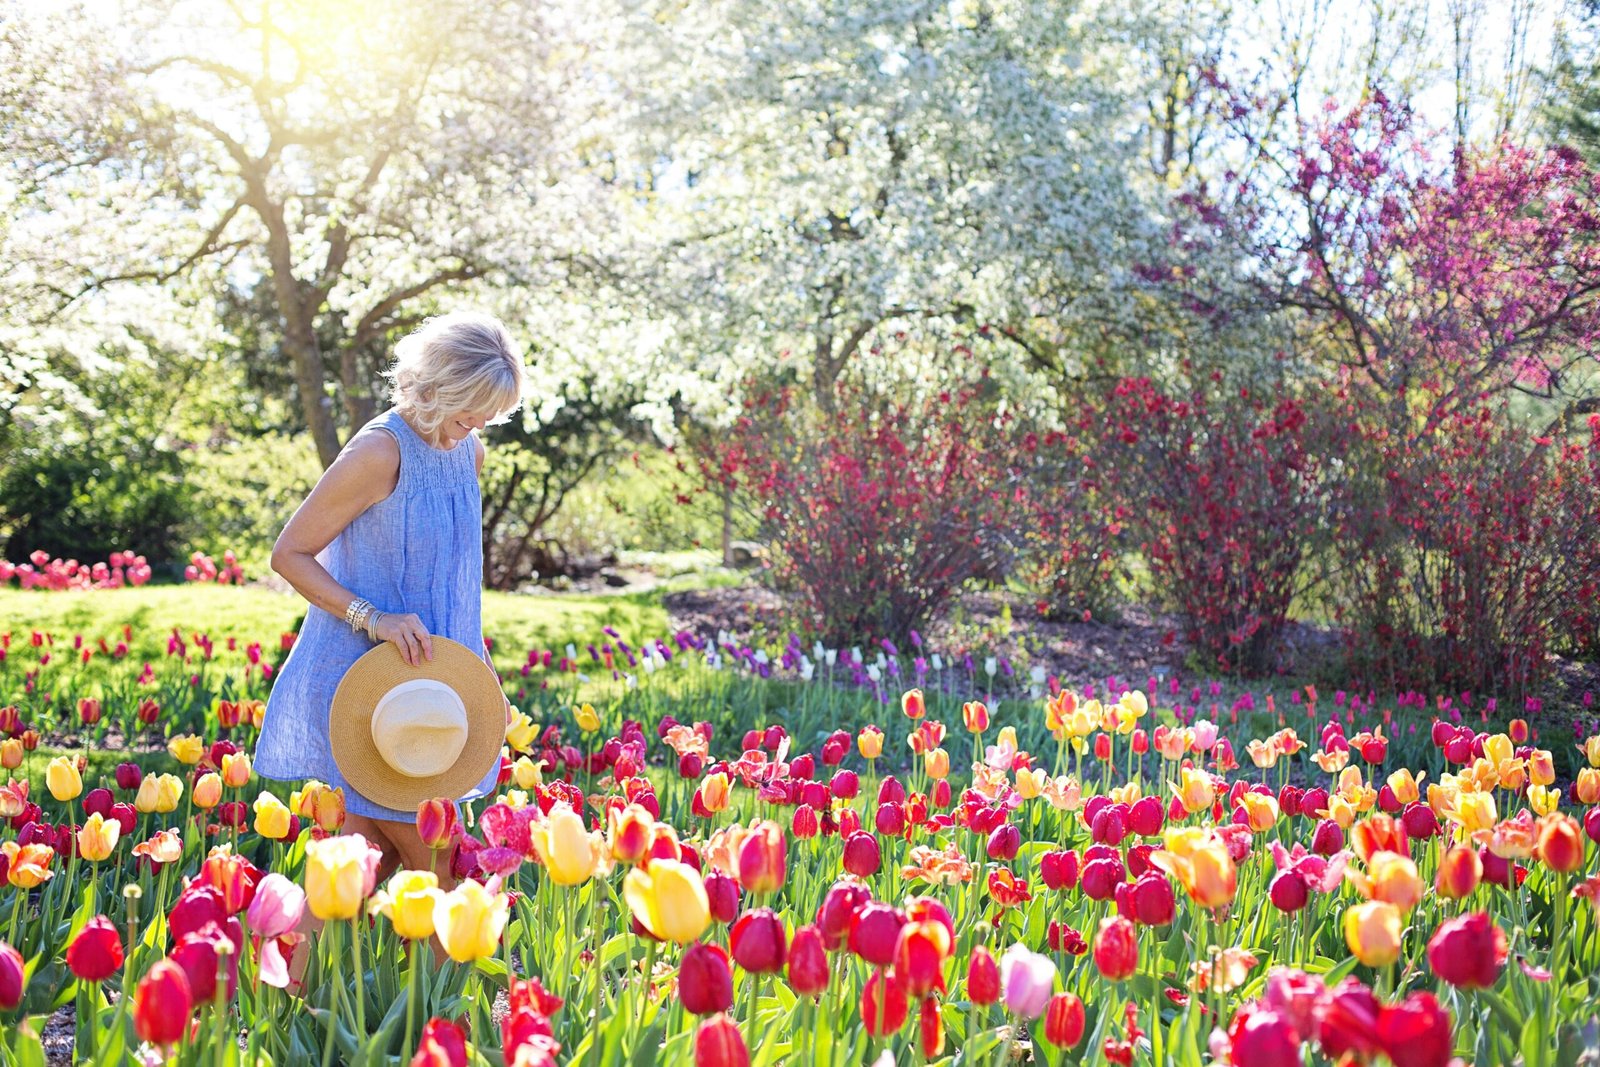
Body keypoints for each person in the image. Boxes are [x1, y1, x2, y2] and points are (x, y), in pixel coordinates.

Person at [255, 311, 528, 887]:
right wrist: (372, 618)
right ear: (435, 389)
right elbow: (290, 555)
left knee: (352, 874)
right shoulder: (379, 453)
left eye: (489, 416)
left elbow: (455, 585)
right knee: (451, 878)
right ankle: (483, 983)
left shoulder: (468, 453)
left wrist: (480, 673)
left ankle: (287, 979)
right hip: (378, 689)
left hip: (435, 686)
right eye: (469, 412)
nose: (478, 426)